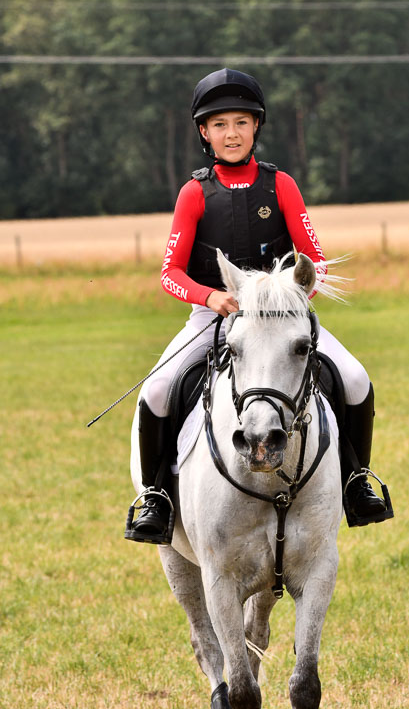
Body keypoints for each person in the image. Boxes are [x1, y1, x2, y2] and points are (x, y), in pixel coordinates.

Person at [125, 68, 391, 546]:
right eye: (220, 124)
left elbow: (317, 260)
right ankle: (156, 497)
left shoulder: (281, 185)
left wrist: (290, 298)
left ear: (256, 128)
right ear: (205, 133)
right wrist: (210, 296)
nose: (232, 133)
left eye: (241, 123)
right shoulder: (194, 193)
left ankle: (356, 482)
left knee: (354, 379)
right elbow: (170, 273)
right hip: (216, 314)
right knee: (159, 389)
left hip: (282, 315)